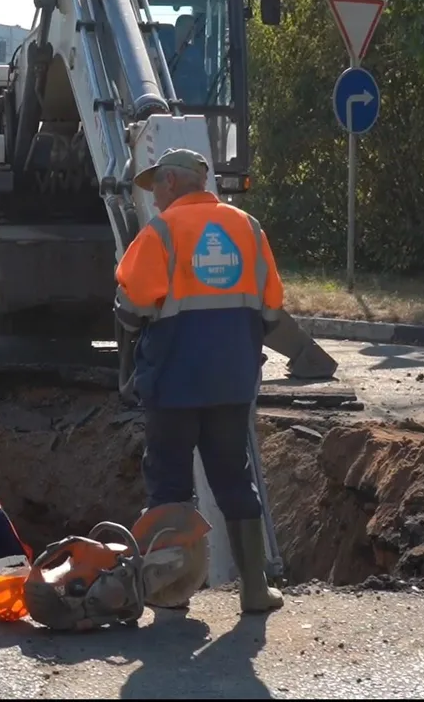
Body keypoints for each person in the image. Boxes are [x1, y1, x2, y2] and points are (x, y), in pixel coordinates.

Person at [114, 148, 285, 614]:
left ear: (171, 183)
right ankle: (254, 590)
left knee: (169, 483)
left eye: (157, 188)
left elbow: (131, 308)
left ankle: (171, 594)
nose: (155, 197)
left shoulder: (161, 233)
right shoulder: (248, 228)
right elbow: (272, 308)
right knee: (233, 477)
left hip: (172, 384)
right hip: (232, 384)